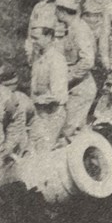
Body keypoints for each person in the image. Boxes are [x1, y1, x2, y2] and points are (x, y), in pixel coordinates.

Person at [55, 0, 97, 139]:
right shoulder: (71, 27)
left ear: (62, 12)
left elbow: (88, 61)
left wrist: (68, 79)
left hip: (81, 87)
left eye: (57, 10)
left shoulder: (79, 30)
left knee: (71, 132)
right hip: (74, 87)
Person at [28, 17, 69, 152]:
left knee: (44, 152)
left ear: (49, 36)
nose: (33, 42)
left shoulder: (57, 60)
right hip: (39, 113)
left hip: (52, 114)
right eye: (32, 38)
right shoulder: (37, 56)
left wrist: (37, 101)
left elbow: (58, 97)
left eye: (36, 38)